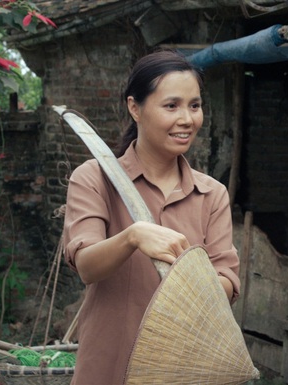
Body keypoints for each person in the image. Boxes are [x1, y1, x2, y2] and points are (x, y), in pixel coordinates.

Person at [62, 50, 240, 384]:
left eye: (195, 105)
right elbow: (86, 266)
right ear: (135, 108)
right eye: (171, 106)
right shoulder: (93, 178)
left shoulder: (211, 194)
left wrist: (199, 287)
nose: (187, 119)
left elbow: (227, 280)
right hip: (109, 363)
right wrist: (132, 237)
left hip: (184, 368)